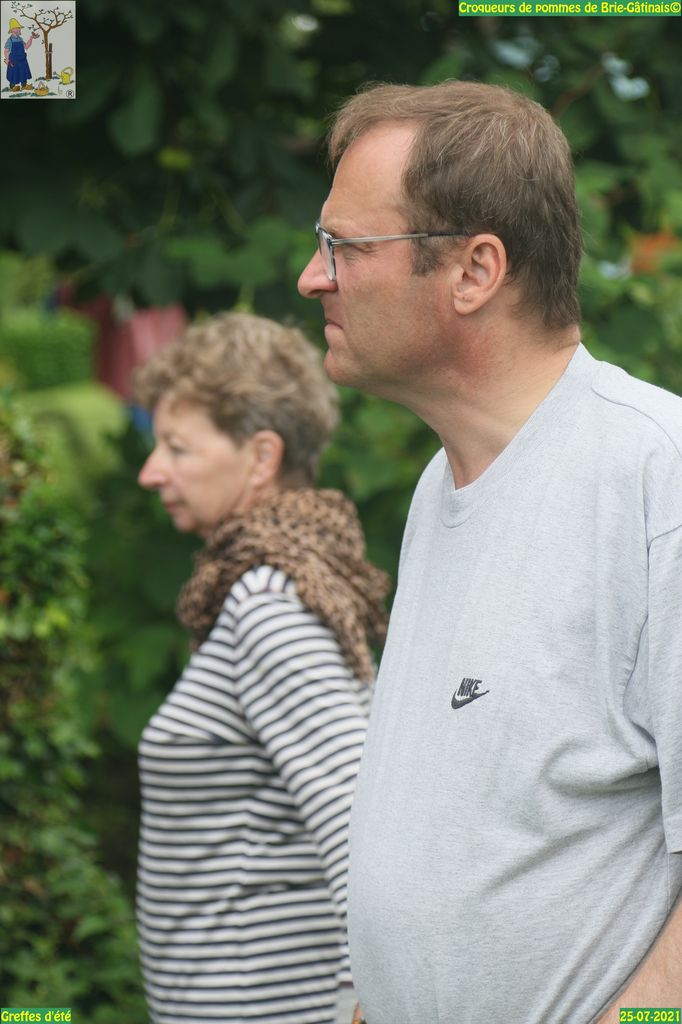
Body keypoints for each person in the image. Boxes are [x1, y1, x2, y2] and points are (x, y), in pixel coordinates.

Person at [297, 81, 682, 1024]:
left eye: (346, 247)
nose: (312, 277)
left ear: (475, 271)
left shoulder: (656, 479)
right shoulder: (444, 486)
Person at [133, 312, 389, 1024]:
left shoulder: (267, 605)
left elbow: (357, 817)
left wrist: (365, 1004)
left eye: (177, 447)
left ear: (260, 457)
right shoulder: (280, 585)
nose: (151, 471)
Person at [4, 17, 36, 93]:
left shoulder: (20, 39)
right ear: (12, 30)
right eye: (17, 28)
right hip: (14, 61)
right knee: (14, 73)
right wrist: (7, 59)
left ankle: (24, 85)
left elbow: (26, 46)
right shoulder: (10, 40)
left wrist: (31, 38)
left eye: (19, 28)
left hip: (22, 60)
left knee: (23, 72)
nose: (19, 29)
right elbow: (6, 51)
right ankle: (12, 87)